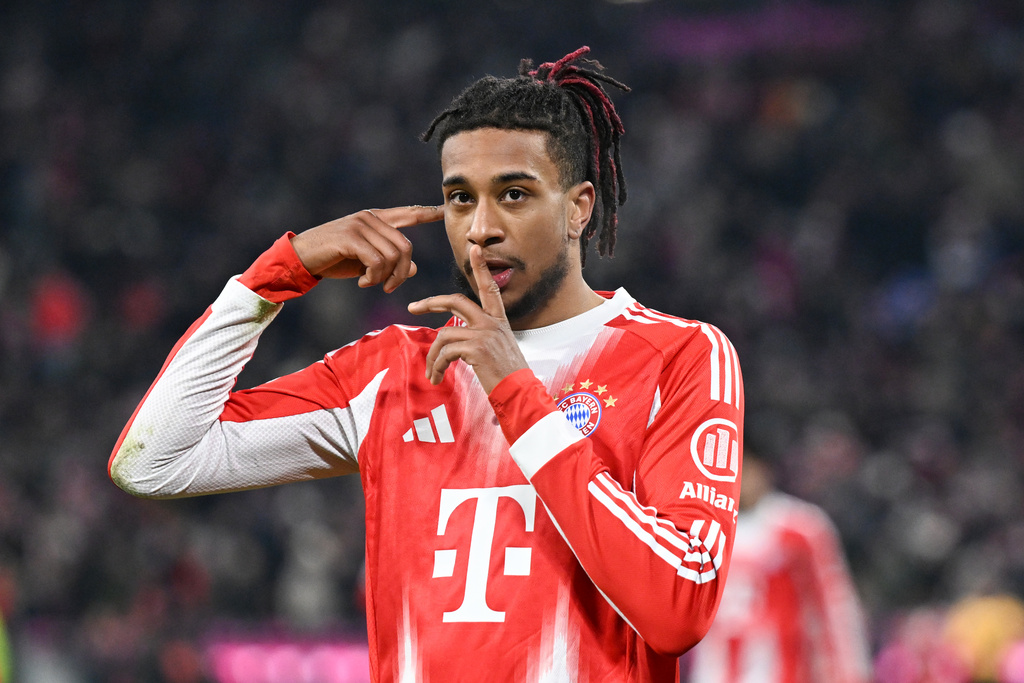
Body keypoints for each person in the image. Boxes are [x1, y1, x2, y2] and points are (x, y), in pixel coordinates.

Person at [108, 47, 744, 682]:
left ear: (579, 206)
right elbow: (155, 462)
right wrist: (275, 275)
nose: (481, 228)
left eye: (515, 195)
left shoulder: (681, 357)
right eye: (460, 200)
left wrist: (518, 393)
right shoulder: (395, 372)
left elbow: (677, 608)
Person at [687, 445, 871, 683]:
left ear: (764, 469)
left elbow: (834, 606)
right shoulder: (700, 530)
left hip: (782, 673)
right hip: (713, 674)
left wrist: (849, 673)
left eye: (745, 467)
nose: (737, 476)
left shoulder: (801, 527)